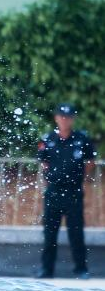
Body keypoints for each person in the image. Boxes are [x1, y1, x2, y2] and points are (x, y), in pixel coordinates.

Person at [37, 103, 96, 279]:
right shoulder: (48, 139)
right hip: (53, 192)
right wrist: (52, 178)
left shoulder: (81, 139)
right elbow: (43, 162)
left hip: (73, 193)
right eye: (62, 116)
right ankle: (47, 270)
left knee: (76, 233)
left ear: (73, 119)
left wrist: (78, 178)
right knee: (49, 233)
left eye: (68, 117)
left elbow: (90, 161)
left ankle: (81, 269)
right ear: (56, 118)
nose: (65, 120)